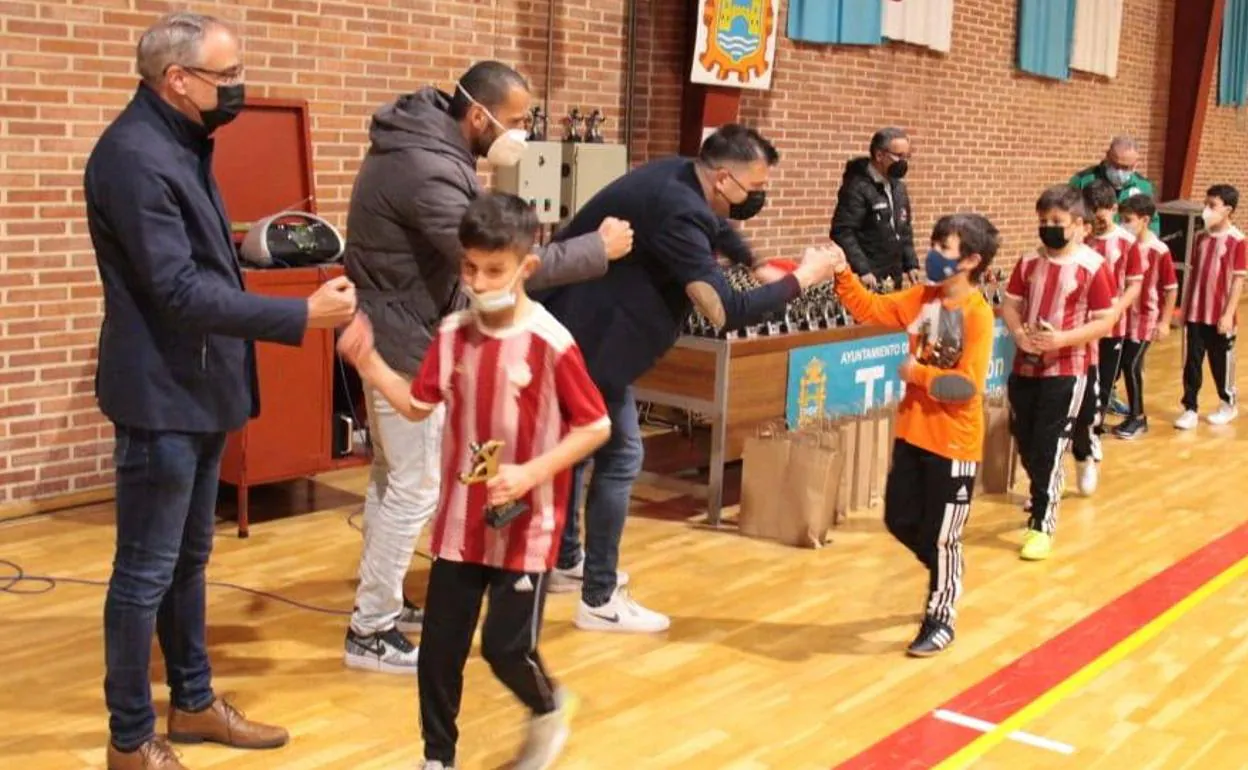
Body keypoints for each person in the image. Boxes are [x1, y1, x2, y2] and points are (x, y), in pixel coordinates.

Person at [84, 13, 357, 770]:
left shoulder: (179, 140)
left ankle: (195, 702)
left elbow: (194, 258)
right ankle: (131, 738)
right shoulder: (135, 157)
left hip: (198, 386)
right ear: (178, 79)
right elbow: (174, 291)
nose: (239, 87)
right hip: (159, 394)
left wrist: (247, 247)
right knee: (145, 570)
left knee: (189, 560)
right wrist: (302, 314)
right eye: (227, 75)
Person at [341, 60, 634, 674]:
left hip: (398, 325)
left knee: (393, 481)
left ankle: (381, 603)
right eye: (518, 120)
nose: (522, 133)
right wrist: (594, 251)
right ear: (478, 115)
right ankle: (370, 629)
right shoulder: (425, 167)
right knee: (415, 489)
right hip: (404, 337)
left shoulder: (426, 144)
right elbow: (488, 257)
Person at [336, 193, 611, 770]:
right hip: (460, 524)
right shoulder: (453, 333)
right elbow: (418, 404)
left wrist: (531, 471)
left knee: (506, 649)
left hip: (526, 527)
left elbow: (596, 425)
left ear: (525, 268)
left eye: (494, 270)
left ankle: (548, 704)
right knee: (439, 653)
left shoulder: (551, 342)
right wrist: (369, 365)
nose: (479, 280)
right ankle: (439, 758)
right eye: (469, 267)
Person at [534, 124, 838, 632]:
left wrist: (757, 263)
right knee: (622, 454)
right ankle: (600, 598)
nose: (757, 198)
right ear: (723, 178)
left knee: (583, 452)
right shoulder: (679, 211)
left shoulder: (677, 173)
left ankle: (567, 559)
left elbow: (720, 231)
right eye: (754, 190)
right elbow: (724, 310)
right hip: (593, 343)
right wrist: (801, 279)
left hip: (584, 336)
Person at [829, 213, 1000, 657]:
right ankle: (948, 572)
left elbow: (965, 387)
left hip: (954, 444)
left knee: (944, 537)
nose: (933, 255)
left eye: (945, 248)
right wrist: (842, 272)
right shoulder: (923, 299)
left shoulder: (977, 316)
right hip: (912, 435)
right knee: (901, 520)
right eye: (934, 244)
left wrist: (917, 373)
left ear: (972, 260)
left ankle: (941, 616)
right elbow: (872, 308)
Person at [1002, 185, 1114, 562]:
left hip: (1069, 368)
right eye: (1043, 221)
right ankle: (1044, 491)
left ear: (1080, 225)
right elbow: (1010, 305)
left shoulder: (1093, 268)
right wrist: (1019, 334)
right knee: (1025, 438)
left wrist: (1062, 339)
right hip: (1025, 366)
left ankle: (1041, 523)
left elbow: (1105, 322)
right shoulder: (1028, 262)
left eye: (1057, 222)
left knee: (1049, 445)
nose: (1048, 228)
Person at [1069, 181, 1141, 496]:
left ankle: (1092, 435)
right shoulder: (1078, 241)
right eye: (1091, 218)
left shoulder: (1126, 243)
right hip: (1077, 330)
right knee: (1077, 384)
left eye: (1101, 218)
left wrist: (1114, 311)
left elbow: (1134, 285)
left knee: (1101, 387)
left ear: (1112, 210)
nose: (1096, 224)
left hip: (1111, 327)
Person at [1176, 184, 1246, 430]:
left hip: (1219, 315)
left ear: (1227, 210)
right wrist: (1184, 308)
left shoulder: (1237, 241)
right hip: (1196, 312)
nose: (1206, 210)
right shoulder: (1200, 238)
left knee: (1220, 361)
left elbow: (1238, 279)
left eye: (1212, 206)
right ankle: (1190, 407)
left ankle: (1228, 403)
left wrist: (1228, 314)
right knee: (1192, 362)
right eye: (1206, 204)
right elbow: (1193, 275)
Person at [1114, 194, 1178, 439]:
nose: (1124, 223)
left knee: (1132, 364)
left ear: (1145, 220)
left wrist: (1164, 321)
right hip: (1123, 317)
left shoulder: (1159, 250)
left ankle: (1138, 417)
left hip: (1146, 319)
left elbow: (1171, 288)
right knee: (1120, 364)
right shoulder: (1124, 245)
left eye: (1128, 219)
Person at [830, 127, 920, 289]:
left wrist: (911, 264)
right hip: (868, 278)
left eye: (907, 156)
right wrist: (862, 270)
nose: (904, 162)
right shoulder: (857, 188)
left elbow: (903, 230)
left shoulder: (898, 188)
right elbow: (843, 231)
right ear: (879, 155)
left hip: (894, 276)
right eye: (899, 156)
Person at [1070, 135, 1161, 234]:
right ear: (1107, 156)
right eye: (1115, 165)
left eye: (1125, 167)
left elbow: (1152, 224)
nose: (1119, 172)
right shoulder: (1082, 181)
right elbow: (1069, 216)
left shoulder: (1143, 187)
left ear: (1135, 164)